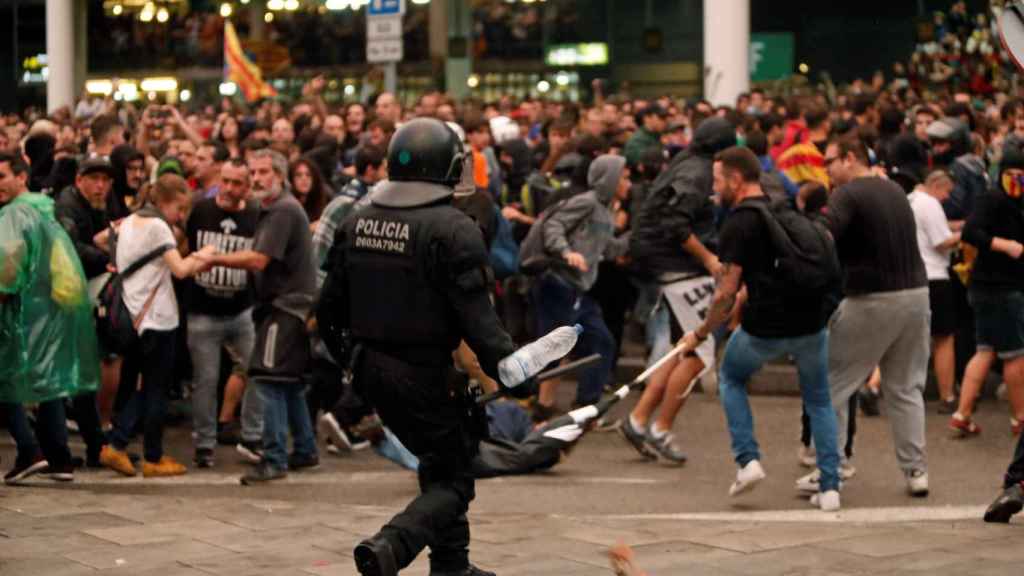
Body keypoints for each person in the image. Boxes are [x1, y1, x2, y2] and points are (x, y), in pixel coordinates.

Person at [317, 118, 519, 576]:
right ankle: (392, 544)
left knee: (439, 462)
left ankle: (452, 566)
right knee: (456, 479)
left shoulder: (358, 219)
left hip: (371, 367)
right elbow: (481, 326)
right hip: (425, 374)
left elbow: (327, 310)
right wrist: (513, 371)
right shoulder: (453, 228)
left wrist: (351, 361)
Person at [686, 146, 841, 511]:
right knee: (819, 398)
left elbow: (725, 292)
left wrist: (703, 331)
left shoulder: (739, 222)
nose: (713, 188)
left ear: (736, 180)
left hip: (764, 326)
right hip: (811, 321)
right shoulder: (780, 204)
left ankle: (747, 460)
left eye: (718, 180)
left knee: (730, 378)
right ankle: (831, 487)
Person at [194, 148, 320, 484]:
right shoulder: (275, 208)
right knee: (289, 382)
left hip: (286, 307)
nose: (258, 178)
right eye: (255, 172)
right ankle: (305, 449)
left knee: (267, 378)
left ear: (280, 176)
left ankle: (275, 457)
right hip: (286, 306)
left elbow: (259, 260)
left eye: (265, 172)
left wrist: (213, 258)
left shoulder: (281, 210)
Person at [620, 117, 736, 463]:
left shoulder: (687, 163)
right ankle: (660, 428)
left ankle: (640, 420)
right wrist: (711, 261)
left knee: (680, 347)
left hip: (661, 261)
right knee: (699, 352)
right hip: (675, 264)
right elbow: (675, 222)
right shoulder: (697, 173)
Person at [822, 136, 931, 497]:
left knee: (833, 385)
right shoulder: (895, 192)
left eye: (830, 162)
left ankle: (830, 468)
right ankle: (916, 471)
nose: (826, 171)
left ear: (849, 158)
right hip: (916, 294)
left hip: (871, 298)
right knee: (906, 387)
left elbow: (824, 237)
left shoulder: (848, 195)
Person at [99, 174, 214, 478]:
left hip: (132, 315)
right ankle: (145, 454)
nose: (181, 216)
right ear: (167, 201)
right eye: (180, 208)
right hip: (157, 318)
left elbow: (101, 239)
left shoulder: (129, 221)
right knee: (156, 389)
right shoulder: (158, 226)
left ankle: (120, 443)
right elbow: (179, 269)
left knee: (136, 383)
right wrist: (204, 256)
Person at [0, 152, 99, 484]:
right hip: (53, 307)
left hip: (24, 311)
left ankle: (30, 451)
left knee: (7, 379)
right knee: (48, 382)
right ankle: (59, 458)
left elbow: (7, 272)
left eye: (1, 177)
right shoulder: (45, 207)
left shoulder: (14, 214)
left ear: (21, 177)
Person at [531, 154, 631, 416]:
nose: (628, 183)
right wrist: (566, 252)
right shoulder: (585, 203)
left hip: (578, 289)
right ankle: (542, 409)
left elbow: (608, 249)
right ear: (609, 179)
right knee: (557, 346)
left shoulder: (605, 211)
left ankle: (586, 407)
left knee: (602, 343)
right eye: (624, 177)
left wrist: (638, 237)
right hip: (559, 283)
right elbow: (553, 225)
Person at [184, 159, 262, 468]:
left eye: (237, 183)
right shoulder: (200, 210)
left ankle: (253, 435)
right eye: (225, 181)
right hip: (202, 310)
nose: (229, 189)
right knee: (205, 379)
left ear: (247, 186)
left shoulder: (256, 215)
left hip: (241, 309)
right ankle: (204, 443)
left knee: (256, 369)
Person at [951, 148, 1024, 438]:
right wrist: (1004, 245)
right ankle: (1020, 418)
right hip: (1002, 289)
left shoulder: (1007, 199)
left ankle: (962, 414)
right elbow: (970, 232)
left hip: (988, 288)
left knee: (985, 350)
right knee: (1015, 355)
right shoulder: (995, 198)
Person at [908, 170, 961, 414]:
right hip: (935, 277)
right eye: (947, 192)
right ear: (937, 186)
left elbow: (930, 229)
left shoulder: (911, 200)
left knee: (905, 338)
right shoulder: (931, 204)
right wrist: (969, 234)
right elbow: (941, 241)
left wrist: (958, 225)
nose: (946, 198)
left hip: (912, 277)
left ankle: (874, 386)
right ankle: (947, 395)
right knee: (943, 338)